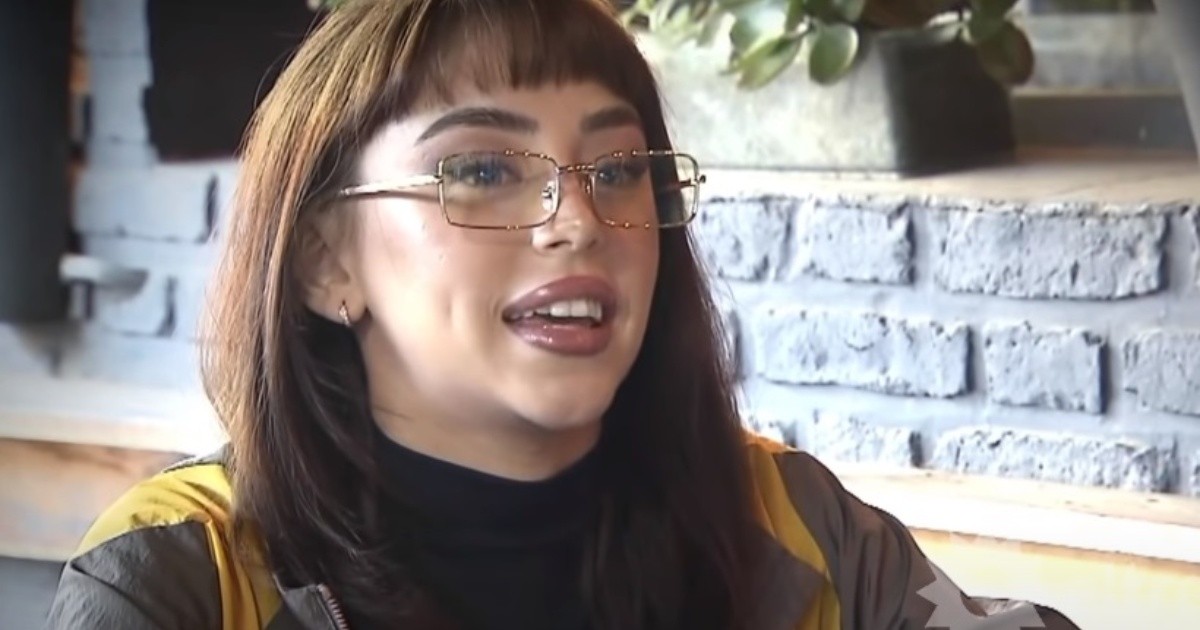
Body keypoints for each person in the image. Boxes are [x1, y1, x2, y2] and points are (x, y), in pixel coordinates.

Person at [46, 1, 1081, 629]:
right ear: (325, 261)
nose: (578, 220)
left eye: (618, 167)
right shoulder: (184, 571)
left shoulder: (784, 517)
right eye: (482, 170)